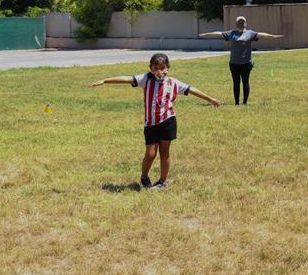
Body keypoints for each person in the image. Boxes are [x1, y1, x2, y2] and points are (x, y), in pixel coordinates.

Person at [90, 53, 220, 189]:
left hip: (168, 121)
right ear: (151, 68)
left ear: (168, 68)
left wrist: (210, 99)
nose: (159, 71)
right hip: (151, 124)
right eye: (156, 68)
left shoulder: (174, 83)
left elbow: (192, 90)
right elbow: (126, 79)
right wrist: (105, 81)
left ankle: (163, 181)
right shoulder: (145, 79)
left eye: (163, 68)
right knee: (151, 154)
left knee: (165, 152)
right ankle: (144, 177)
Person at [199, 16, 284, 105]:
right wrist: (204, 35)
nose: (241, 23)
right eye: (239, 22)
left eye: (243, 22)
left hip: (246, 63)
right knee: (236, 83)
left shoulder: (250, 33)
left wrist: (274, 36)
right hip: (234, 63)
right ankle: (236, 102)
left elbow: (262, 34)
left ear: (245, 23)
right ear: (236, 24)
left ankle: (245, 102)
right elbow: (218, 33)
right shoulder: (231, 33)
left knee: (245, 82)